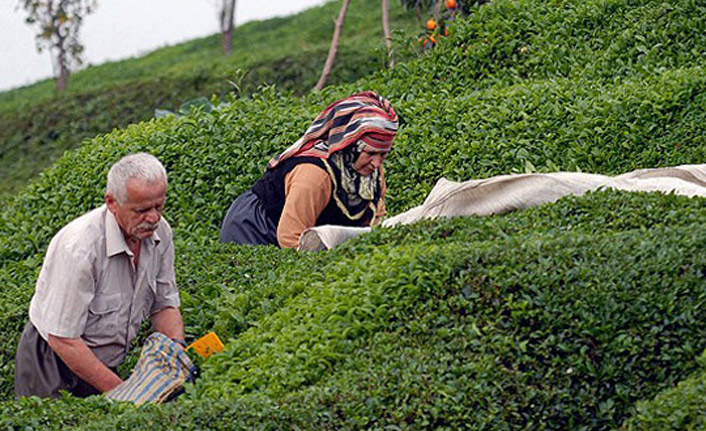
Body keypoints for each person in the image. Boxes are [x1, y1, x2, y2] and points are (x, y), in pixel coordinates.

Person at [15, 153, 185, 399]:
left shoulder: (162, 233)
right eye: (142, 210)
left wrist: (174, 354)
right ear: (112, 202)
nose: (153, 218)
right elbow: (63, 338)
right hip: (52, 360)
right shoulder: (80, 248)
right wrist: (125, 393)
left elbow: (164, 304)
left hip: (102, 358)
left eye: (159, 206)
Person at [219, 91, 398, 248]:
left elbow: (375, 220)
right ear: (350, 146)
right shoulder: (314, 176)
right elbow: (291, 238)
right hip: (254, 228)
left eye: (383, 155)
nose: (376, 163)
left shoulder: (368, 170)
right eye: (371, 153)